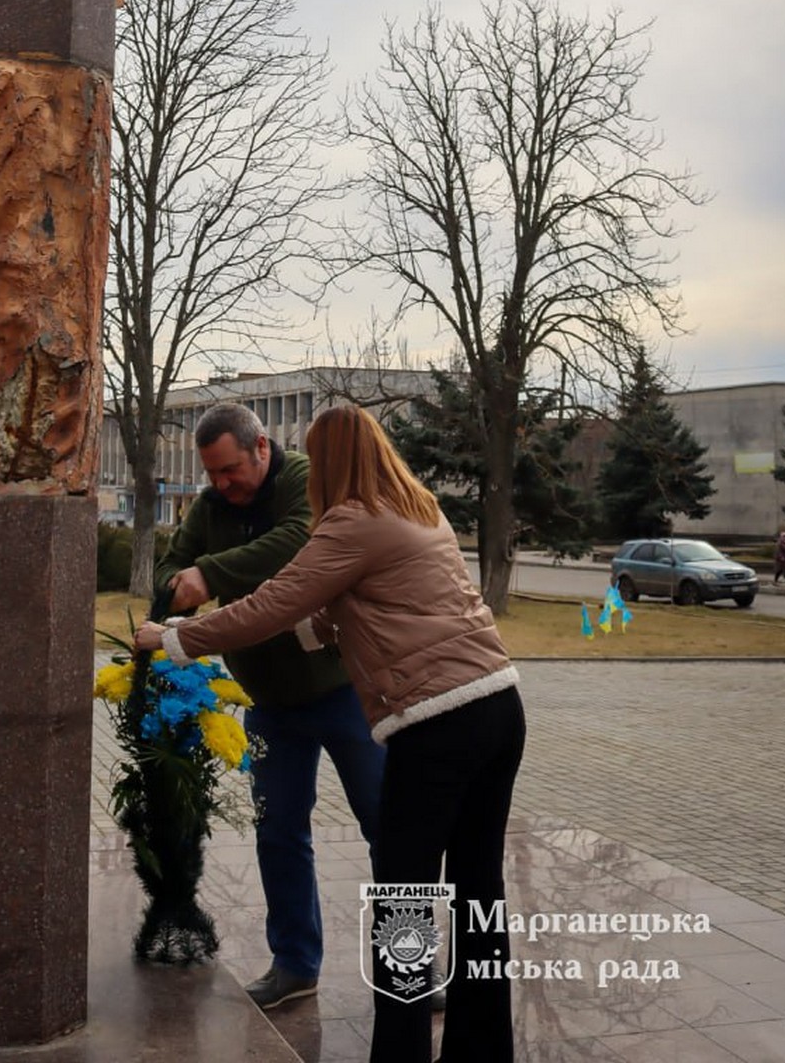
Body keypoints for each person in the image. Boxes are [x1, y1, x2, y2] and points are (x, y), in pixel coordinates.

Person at [138, 403, 525, 1063]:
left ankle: (399, 1054)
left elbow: (271, 602)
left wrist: (175, 639)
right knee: (477, 885)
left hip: (437, 724)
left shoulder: (351, 518)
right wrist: (320, 627)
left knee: (402, 888)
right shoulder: (418, 506)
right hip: (499, 705)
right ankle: (480, 1046)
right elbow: (390, 603)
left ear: (331, 460)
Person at [155, 402, 385, 1011]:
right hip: (270, 703)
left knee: (388, 826)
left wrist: (208, 572)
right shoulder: (210, 508)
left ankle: (408, 959)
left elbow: (298, 544)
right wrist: (180, 579)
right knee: (278, 832)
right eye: (211, 474)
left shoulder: (305, 480)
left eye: (230, 469)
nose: (221, 485)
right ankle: (294, 964)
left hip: (344, 692)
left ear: (261, 448)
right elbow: (169, 567)